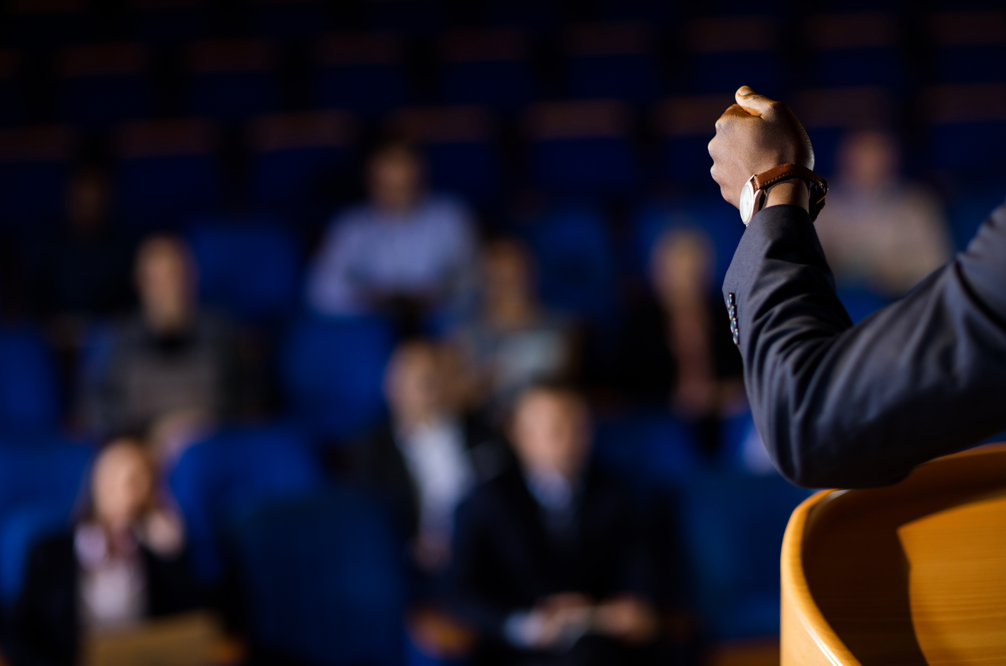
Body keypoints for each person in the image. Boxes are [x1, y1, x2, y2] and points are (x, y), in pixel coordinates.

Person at [708, 86, 1006, 489]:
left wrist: (770, 189)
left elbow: (809, 418)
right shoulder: (834, 203)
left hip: (892, 315)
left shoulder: (916, 205)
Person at [450, 383, 658, 665]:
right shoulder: (486, 500)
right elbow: (461, 592)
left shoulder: (616, 494)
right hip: (516, 651)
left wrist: (595, 615)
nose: (570, 439)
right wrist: (528, 625)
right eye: (555, 429)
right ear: (520, 435)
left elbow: (639, 590)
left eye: (579, 427)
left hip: (600, 646)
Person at [9, 439, 200, 666]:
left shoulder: (156, 551)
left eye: (144, 479)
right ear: (97, 482)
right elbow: (18, 634)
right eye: (124, 478)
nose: (132, 490)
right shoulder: (48, 554)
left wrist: (172, 554)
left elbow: (189, 627)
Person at [352, 340, 511, 576]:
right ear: (390, 386)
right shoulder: (371, 450)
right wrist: (411, 545)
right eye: (413, 378)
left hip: (485, 553)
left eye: (431, 377)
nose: (425, 387)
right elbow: (370, 515)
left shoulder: (483, 435)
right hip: (412, 564)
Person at [79, 235, 257, 442]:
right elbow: (99, 415)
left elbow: (246, 406)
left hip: (213, 450)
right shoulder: (118, 342)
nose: (167, 289)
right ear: (140, 284)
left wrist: (201, 425)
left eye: (174, 276)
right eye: (156, 280)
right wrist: (152, 434)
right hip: (142, 452)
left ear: (191, 280)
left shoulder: (220, 333)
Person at [306, 139, 479, 327]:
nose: (395, 197)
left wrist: (436, 297)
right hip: (368, 325)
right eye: (386, 187)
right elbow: (320, 291)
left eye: (403, 187)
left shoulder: (450, 217)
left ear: (419, 176)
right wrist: (371, 300)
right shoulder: (350, 225)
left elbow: (472, 280)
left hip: (440, 323)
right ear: (370, 181)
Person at [618, 228, 745, 452]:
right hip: (662, 418)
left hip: (722, 415)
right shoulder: (641, 322)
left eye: (694, 271)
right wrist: (679, 400)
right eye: (678, 271)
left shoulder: (725, 312)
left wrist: (715, 395)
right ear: (659, 274)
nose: (687, 281)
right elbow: (631, 387)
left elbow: (743, 371)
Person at [813, 130, 951, 297]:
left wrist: (893, 274)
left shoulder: (918, 205)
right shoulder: (818, 202)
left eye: (875, 156)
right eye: (858, 157)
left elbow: (936, 267)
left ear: (891, 160)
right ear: (843, 159)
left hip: (898, 305)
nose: (866, 166)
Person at [453, 238, 574, 420]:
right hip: (489, 428)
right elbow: (457, 400)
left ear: (531, 274)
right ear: (484, 282)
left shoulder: (563, 327)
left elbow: (570, 391)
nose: (510, 286)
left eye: (515, 276)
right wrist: (481, 385)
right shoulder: (465, 336)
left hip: (545, 427)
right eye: (499, 279)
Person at [29, 165, 135, 324]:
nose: (87, 207)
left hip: (112, 338)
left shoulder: (123, 251)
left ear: (106, 200)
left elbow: (130, 310)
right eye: (81, 200)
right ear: (68, 198)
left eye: (93, 199)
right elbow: (36, 304)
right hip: (54, 339)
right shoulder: (48, 249)